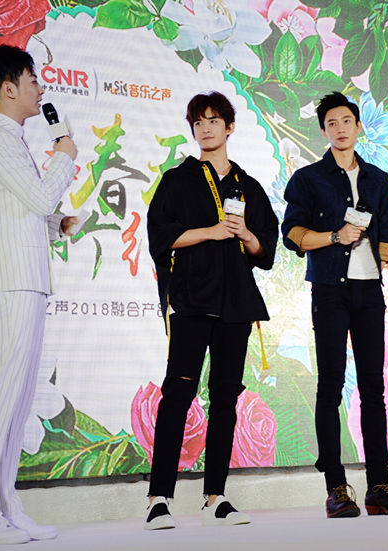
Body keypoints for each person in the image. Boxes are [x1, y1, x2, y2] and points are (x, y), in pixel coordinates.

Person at [0, 44, 79, 547]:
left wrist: (55, 225)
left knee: (16, 399)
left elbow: (18, 209)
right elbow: (39, 194)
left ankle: (5, 505)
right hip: (9, 281)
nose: (40, 88)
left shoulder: (7, 140)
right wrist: (65, 155)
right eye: (33, 80)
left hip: (22, 278)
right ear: (8, 87)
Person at [145, 92, 278, 528]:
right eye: (198, 122)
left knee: (225, 400)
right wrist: (211, 230)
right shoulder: (177, 180)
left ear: (229, 127)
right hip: (191, 301)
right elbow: (160, 236)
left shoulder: (248, 185)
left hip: (236, 305)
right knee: (177, 395)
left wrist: (245, 234)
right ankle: (158, 498)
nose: (205, 128)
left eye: (213, 120)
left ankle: (215, 497)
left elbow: (266, 248)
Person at [281, 92, 388, 518]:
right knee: (330, 384)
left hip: (369, 291)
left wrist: (383, 256)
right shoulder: (308, 179)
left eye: (346, 121)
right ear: (323, 130)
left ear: (359, 126)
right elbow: (293, 234)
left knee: (373, 388)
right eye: (331, 123)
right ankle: (336, 487)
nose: (340, 128)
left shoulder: (378, 178)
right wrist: (335, 237)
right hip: (330, 290)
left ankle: (379, 486)